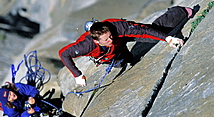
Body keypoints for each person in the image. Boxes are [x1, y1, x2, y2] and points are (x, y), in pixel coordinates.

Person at [59, 6, 195, 87]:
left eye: (111, 36)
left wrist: (167, 39)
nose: (110, 39)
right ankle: (124, 55)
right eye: (106, 40)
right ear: (96, 41)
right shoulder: (86, 46)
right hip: (112, 54)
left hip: (123, 37)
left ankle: (179, 11)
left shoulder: (119, 28)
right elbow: (64, 53)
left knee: (156, 32)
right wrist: (77, 75)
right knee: (125, 61)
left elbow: (143, 30)